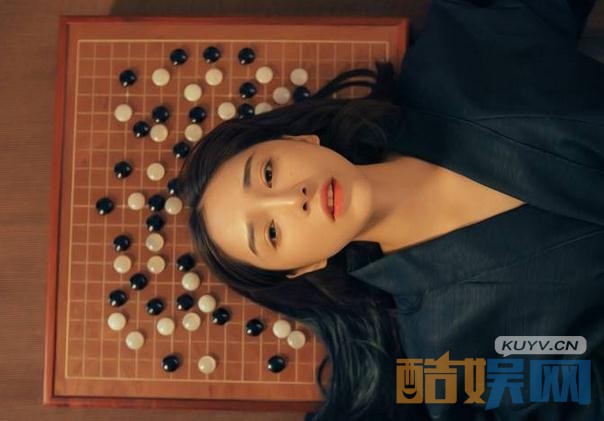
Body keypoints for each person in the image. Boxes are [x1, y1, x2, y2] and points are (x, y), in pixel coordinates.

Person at [177, 0, 603, 419]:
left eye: (268, 173)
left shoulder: (454, 57)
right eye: (272, 232)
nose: (293, 198)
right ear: (304, 266)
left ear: (298, 140)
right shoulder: (447, 361)